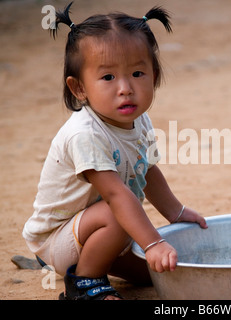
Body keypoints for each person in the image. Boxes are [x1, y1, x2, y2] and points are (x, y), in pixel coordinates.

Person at [22, 2, 207, 300]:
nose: (125, 88)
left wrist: (176, 212)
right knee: (120, 210)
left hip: (107, 230)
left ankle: (94, 261)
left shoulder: (138, 120)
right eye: (108, 77)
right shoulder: (85, 134)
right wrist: (153, 243)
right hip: (60, 237)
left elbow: (146, 169)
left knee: (157, 275)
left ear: (155, 75)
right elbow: (115, 196)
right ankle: (84, 283)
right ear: (79, 88)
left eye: (137, 73)